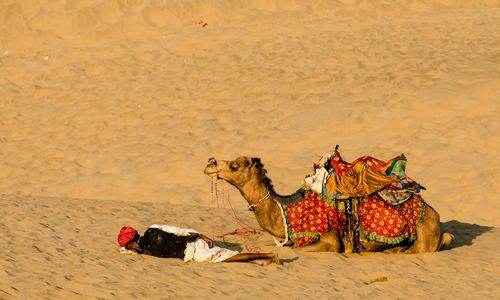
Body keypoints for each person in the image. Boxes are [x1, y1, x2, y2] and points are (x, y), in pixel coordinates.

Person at [117, 224, 280, 266]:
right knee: (227, 256)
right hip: (193, 247)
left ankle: (268, 256)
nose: (130, 248)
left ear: (132, 242)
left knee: (227, 257)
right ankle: (262, 261)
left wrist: (202, 235)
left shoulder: (153, 230)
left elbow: (181, 231)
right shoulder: (144, 244)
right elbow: (124, 250)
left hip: (194, 250)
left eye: (129, 245)